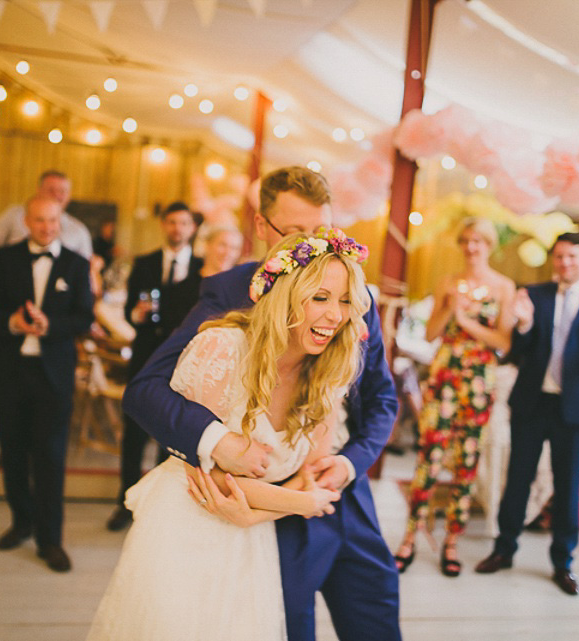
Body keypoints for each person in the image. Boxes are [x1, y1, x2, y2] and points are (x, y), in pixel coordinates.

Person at [122, 166, 401, 641]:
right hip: (264, 491)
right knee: (286, 622)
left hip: (338, 481)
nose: (310, 249)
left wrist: (350, 463)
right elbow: (147, 389)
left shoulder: (354, 295)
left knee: (376, 604)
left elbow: (382, 398)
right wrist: (219, 441)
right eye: (294, 234)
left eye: (320, 233)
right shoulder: (227, 293)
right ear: (260, 227)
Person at [88, 229, 369, 640]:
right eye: (320, 297)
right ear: (286, 294)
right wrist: (299, 502)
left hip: (251, 543)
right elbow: (210, 478)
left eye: (345, 301)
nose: (335, 315)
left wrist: (256, 513)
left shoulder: (327, 376)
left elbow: (309, 475)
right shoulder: (222, 349)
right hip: (185, 528)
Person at [474, 230, 579, 596]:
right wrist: (523, 324)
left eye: (572, 256)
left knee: (568, 486)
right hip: (532, 401)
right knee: (518, 479)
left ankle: (563, 562)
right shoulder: (534, 294)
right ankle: (504, 549)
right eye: (559, 257)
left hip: (576, 408)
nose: (565, 263)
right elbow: (518, 350)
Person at [394, 217, 515, 576]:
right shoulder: (448, 282)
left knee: (466, 461)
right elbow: (431, 334)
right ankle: (409, 536)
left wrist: (466, 321)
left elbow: (504, 344)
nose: (471, 247)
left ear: (489, 244)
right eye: (466, 240)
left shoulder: (503, 286)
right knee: (429, 456)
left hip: (478, 379)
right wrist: (449, 306)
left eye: (478, 240)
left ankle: (451, 541)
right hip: (445, 374)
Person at [0, 196, 93, 572]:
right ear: (26, 221)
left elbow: (83, 317)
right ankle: (21, 522)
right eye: (40, 220)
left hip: (53, 374)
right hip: (9, 371)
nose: (47, 227)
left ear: (61, 222)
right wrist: (13, 322)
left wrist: (51, 326)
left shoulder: (77, 265)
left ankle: (50, 539)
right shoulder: (6, 259)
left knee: (50, 455)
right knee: (12, 452)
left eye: (53, 221)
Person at [106, 201, 203, 531]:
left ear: (192, 228)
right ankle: (125, 502)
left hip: (183, 360)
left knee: (172, 434)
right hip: (146, 356)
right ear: (164, 225)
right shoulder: (145, 262)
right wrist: (137, 314)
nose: (177, 229)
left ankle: (161, 506)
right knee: (133, 432)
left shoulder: (202, 269)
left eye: (184, 223)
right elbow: (131, 309)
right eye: (172, 222)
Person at [0, 170, 92, 260]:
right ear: (39, 190)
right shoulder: (14, 215)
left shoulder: (79, 230)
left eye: (62, 191)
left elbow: (86, 267)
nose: (57, 195)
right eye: (51, 190)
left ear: (69, 196)